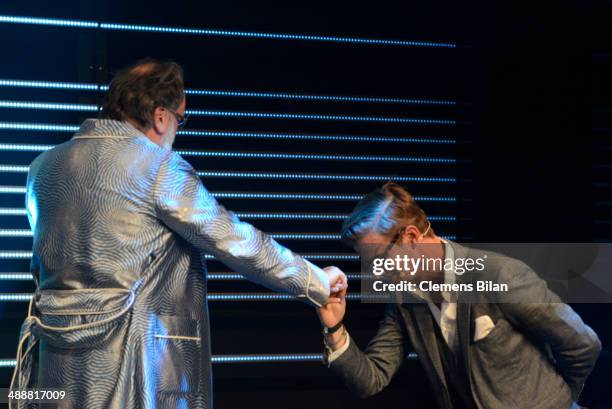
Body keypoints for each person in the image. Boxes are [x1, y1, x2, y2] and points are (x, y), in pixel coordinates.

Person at [11, 58, 347, 409]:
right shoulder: (155, 165)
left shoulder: (42, 167)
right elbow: (234, 240)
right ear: (160, 115)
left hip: (54, 368)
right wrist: (315, 281)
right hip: (135, 370)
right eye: (180, 119)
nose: (177, 129)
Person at [317, 182, 601, 409]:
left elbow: (582, 345)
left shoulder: (498, 275)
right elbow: (371, 379)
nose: (375, 272)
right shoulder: (404, 301)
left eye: (379, 258)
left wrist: (559, 400)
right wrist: (334, 327)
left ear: (412, 237)